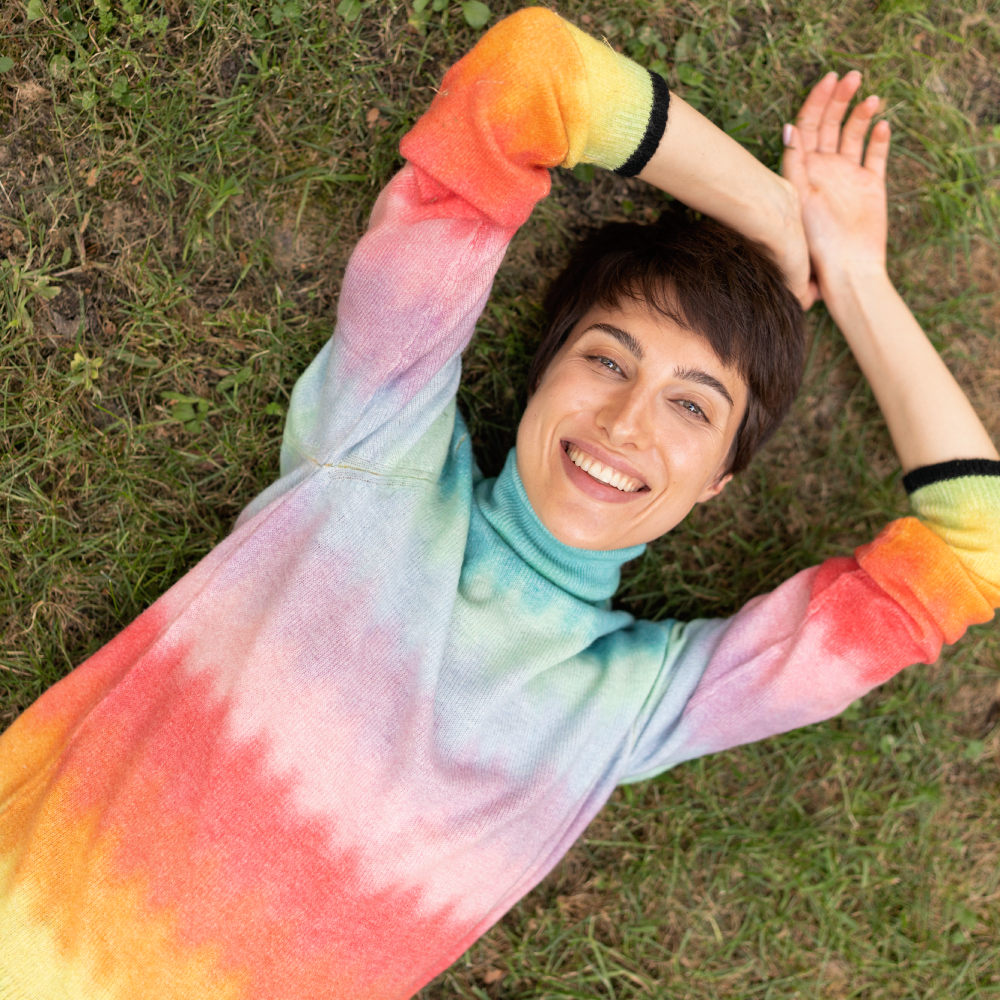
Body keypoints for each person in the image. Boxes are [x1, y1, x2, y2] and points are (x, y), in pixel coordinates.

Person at [1, 8, 997, 999]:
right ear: (540, 376)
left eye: (691, 407)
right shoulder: (378, 443)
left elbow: (979, 545)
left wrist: (856, 276)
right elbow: (532, 76)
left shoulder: (630, 707)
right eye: (606, 360)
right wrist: (781, 225)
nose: (626, 421)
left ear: (717, 484)